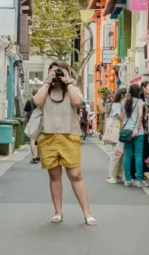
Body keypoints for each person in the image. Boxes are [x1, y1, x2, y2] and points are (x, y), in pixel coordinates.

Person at [33, 61, 97, 226]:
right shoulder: (45, 90)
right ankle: (58, 212)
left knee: (76, 175)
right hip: (48, 136)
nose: (57, 75)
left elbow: (77, 103)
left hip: (69, 135)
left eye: (60, 71)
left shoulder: (72, 89)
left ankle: (87, 213)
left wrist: (67, 81)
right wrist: (47, 81)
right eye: (54, 71)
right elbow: (37, 102)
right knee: (54, 175)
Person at [121, 83, 148, 187]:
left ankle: (127, 179)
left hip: (127, 131)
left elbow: (122, 117)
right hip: (138, 131)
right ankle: (139, 180)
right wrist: (136, 128)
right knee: (138, 155)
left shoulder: (124, 102)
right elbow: (141, 116)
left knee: (127, 155)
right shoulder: (140, 102)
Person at [106, 87, 127, 183]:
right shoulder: (116, 105)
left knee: (121, 153)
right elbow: (121, 118)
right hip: (117, 132)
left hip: (120, 132)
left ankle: (119, 175)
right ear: (123, 95)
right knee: (116, 153)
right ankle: (111, 176)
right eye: (126, 95)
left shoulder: (120, 104)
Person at [24, 89, 40, 164]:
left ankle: (34, 157)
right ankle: (38, 156)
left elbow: (26, 112)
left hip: (32, 122)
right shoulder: (41, 102)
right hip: (40, 122)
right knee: (40, 140)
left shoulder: (29, 101)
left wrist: (27, 122)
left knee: (32, 141)